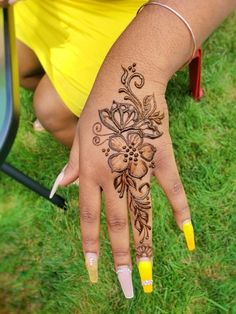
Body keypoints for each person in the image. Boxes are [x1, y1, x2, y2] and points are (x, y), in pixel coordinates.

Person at [1, 0, 235, 299]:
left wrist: (143, 63)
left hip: (131, 13)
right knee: (12, 62)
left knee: (49, 109)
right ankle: (72, 112)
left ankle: (82, 136)